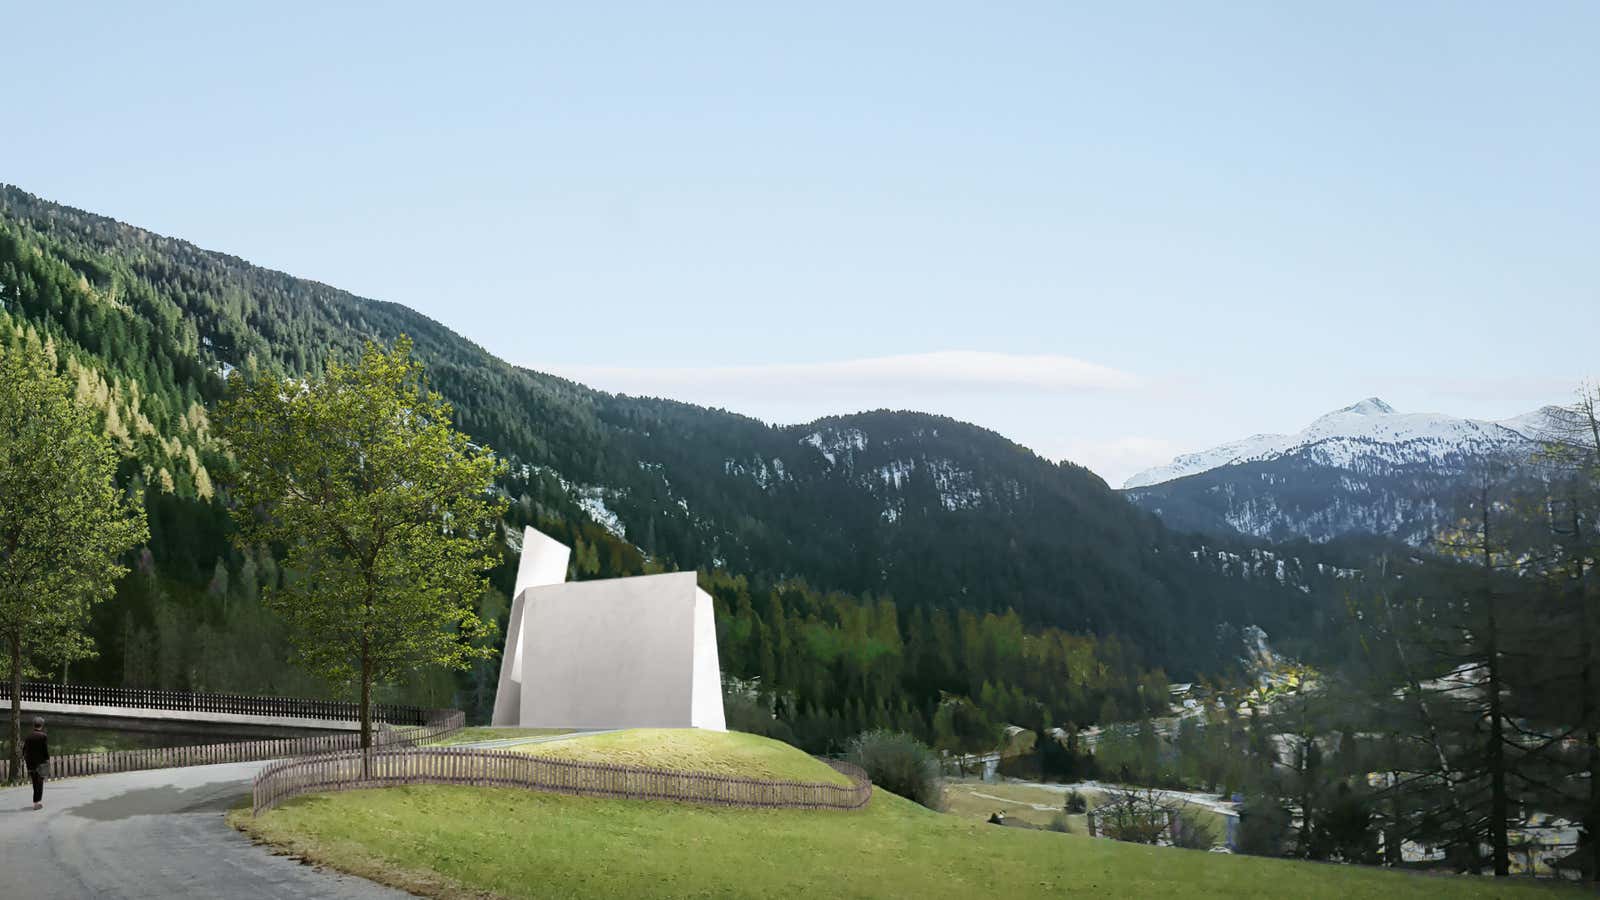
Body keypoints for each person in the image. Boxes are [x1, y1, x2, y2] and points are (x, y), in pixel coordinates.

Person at [23, 717, 49, 810]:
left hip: (30, 762)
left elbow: (24, 750)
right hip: (40, 763)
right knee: (40, 782)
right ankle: (37, 803)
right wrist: (47, 759)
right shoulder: (43, 736)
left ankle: (36, 802)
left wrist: (26, 759)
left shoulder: (28, 736)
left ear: (33, 725)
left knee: (34, 782)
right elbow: (44, 750)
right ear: (41, 725)